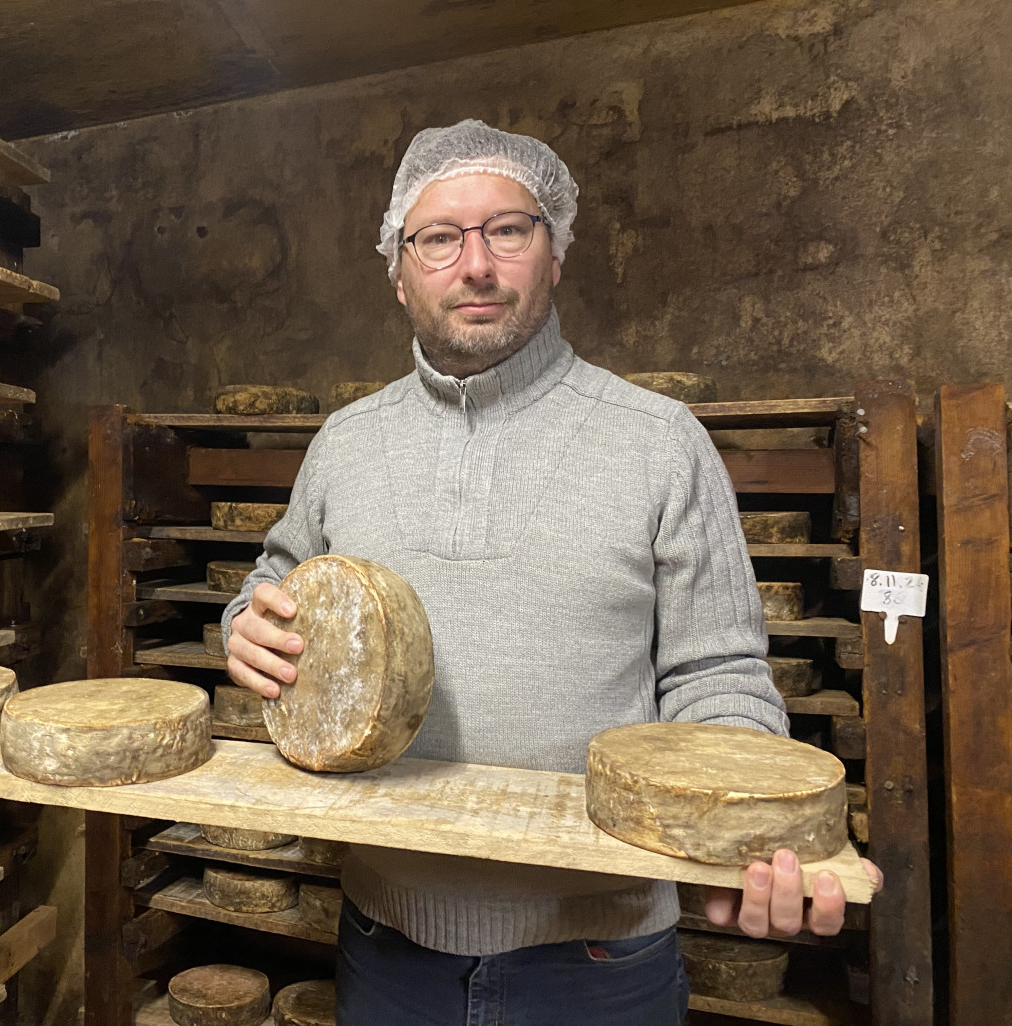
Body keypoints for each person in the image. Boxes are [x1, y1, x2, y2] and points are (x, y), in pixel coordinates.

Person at [221, 119, 880, 1025]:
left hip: (601, 961)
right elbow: (274, 580)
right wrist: (243, 629)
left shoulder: (659, 441)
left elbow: (716, 675)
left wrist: (746, 833)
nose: (477, 264)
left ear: (555, 250)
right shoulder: (346, 442)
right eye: (441, 238)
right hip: (386, 947)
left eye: (509, 229)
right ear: (399, 268)